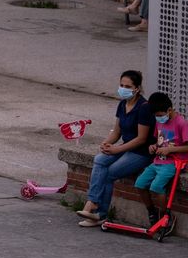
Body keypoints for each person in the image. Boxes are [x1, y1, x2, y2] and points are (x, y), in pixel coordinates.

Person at [75, 70, 155, 227]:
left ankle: (99, 213)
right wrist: (106, 143)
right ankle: (92, 203)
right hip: (125, 147)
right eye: (121, 85)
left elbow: (141, 139)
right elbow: (117, 131)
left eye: (128, 86)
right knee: (100, 159)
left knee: (110, 173)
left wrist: (117, 150)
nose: (123, 89)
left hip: (140, 152)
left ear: (137, 88)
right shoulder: (122, 104)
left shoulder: (143, 107)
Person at [134, 92, 188, 233]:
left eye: (160, 115)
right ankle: (152, 211)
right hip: (158, 161)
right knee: (140, 184)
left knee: (156, 187)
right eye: (156, 116)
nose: (158, 118)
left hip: (173, 163)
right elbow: (159, 141)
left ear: (169, 110)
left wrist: (171, 150)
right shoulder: (159, 122)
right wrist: (153, 147)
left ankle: (165, 215)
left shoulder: (181, 123)